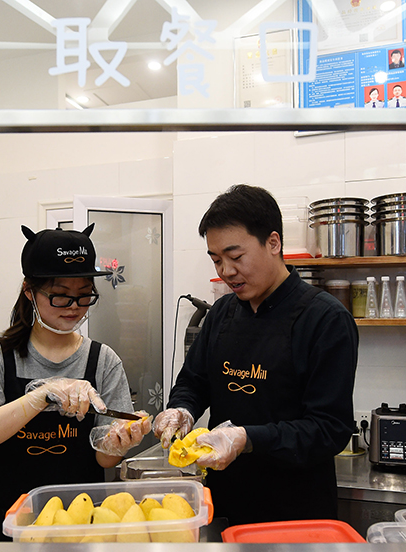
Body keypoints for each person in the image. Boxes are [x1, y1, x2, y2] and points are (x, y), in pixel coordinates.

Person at [153, 184, 358, 526]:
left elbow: (329, 429)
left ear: (273, 243)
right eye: (217, 259)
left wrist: (246, 438)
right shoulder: (221, 314)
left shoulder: (326, 319)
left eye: (236, 257)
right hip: (225, 502)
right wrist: (182, 409)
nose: (226, 271)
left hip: (296, 513)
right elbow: (194, 381)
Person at [0, 224, 151, 541]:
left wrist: (119, 441)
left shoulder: (103, 360)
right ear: (29, 291)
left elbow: (104, 458)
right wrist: (42, 395)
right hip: (1, 522)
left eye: (84, 296)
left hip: (78, 522)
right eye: (61, 297)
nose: (75, 307)